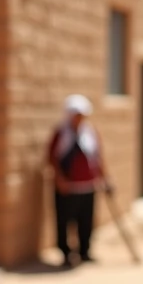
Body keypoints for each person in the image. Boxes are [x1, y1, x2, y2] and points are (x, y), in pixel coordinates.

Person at [46, 95, 110, 267]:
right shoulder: (61, 134)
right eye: (77, 115)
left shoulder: (90, 133)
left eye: (82, 116)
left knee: (86, 220)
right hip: (68, 187)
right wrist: (60, 179)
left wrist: (105, 179)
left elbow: (97, 158)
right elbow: (52, 158)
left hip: (88, 186)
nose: (79, 119)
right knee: (65, 220)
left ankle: (84, 251)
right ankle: (66, 253)